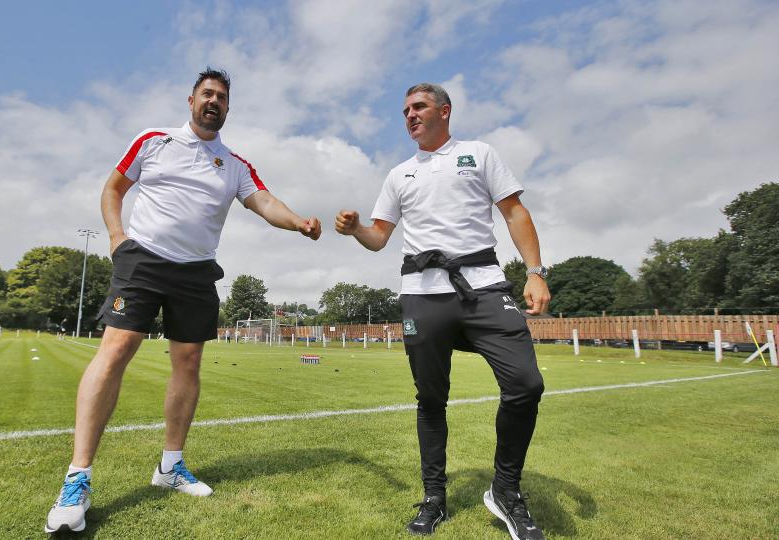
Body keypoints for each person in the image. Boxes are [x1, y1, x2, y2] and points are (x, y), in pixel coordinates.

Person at [45, 68, 322, 534]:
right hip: (144, 261)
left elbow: (265, 202)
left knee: (188, 364)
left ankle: (170, 467)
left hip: (197, 271)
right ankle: (78, 478)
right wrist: (117, 235)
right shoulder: (154, 140)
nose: (213, 101)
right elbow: (114, 187)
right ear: (191, 100)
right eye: (207, 94)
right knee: (115, 351)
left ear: (228, 109)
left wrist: (298, 222)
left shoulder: (234, 164)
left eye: (221, 97)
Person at [335, 83, 551, 539]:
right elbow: (379, 237)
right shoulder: (398, 175)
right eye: (405, 110)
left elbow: (514, 213)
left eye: (419, 107)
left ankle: (505, 491)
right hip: (422, 294)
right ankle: (435, 497)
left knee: (526, 383)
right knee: (431, 400)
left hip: (485, 287)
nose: (410, 115)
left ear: (444, 111)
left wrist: (535, 272)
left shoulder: (479, 154)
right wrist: (357, 229)